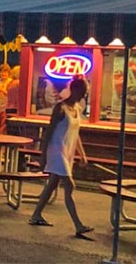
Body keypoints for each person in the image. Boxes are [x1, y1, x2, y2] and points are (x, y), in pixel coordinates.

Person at [28, 77, 94, 239]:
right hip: (57, 151)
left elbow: (76, 134)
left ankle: (36, 214)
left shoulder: (77, 108)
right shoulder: (60, 108)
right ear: (75, 90)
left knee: (52, 184)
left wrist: (82, 154)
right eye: (83, 92)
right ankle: (78, 225)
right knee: (69, 185)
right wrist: (43, 156)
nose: (83, 96)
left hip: (67, 151)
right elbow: (49, 132)